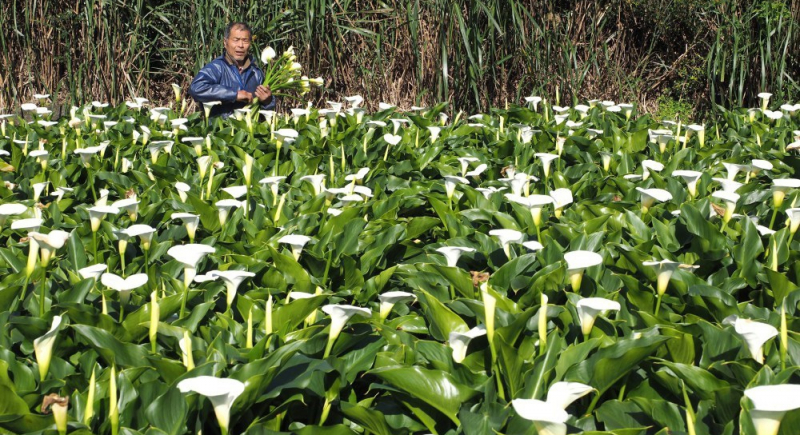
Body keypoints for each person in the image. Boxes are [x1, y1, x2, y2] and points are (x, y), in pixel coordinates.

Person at [189, 22, 275, 118]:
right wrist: (234, 94)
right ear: (225, 43)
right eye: (236, 40)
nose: (241, 45)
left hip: (249, 130)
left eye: (245, 41)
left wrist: (268, 101)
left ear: (250, 44)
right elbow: (196, 88)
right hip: (219, 131)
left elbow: (267, 111)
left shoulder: (256, 73)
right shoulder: (217, 68)